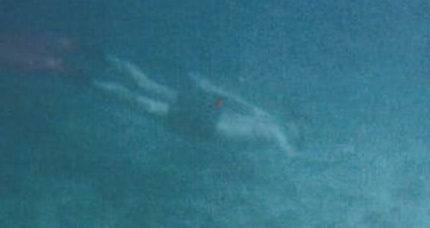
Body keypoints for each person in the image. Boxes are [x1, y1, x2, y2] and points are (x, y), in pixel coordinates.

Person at [91, 55, 303, 157]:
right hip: (206, 122)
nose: (293, 128)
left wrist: (210, 88)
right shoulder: (273, 129)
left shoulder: (266, 119)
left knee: (147, 87)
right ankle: (91, 78)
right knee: (146, 103)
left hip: (211, 111)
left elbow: (237, 101)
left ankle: (102, 57)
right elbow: (286, 147)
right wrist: (296, 154)